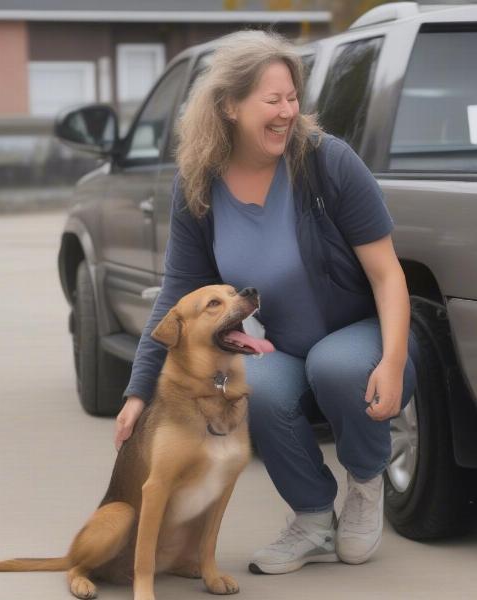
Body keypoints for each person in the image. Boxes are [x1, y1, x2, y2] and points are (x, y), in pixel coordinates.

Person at [114, 29, 418, 574]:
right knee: (246, 387)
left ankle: (365, 486)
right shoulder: (197, 185)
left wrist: (393, 361)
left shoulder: (328, 163)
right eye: (272, 100)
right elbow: (176, 300)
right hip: (275, 345)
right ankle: (311, 519)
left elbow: (387, 274)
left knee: (335, 365)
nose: (286, 112)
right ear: (229, 105)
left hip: (358, 334)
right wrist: (139, 392)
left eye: (292, 98)